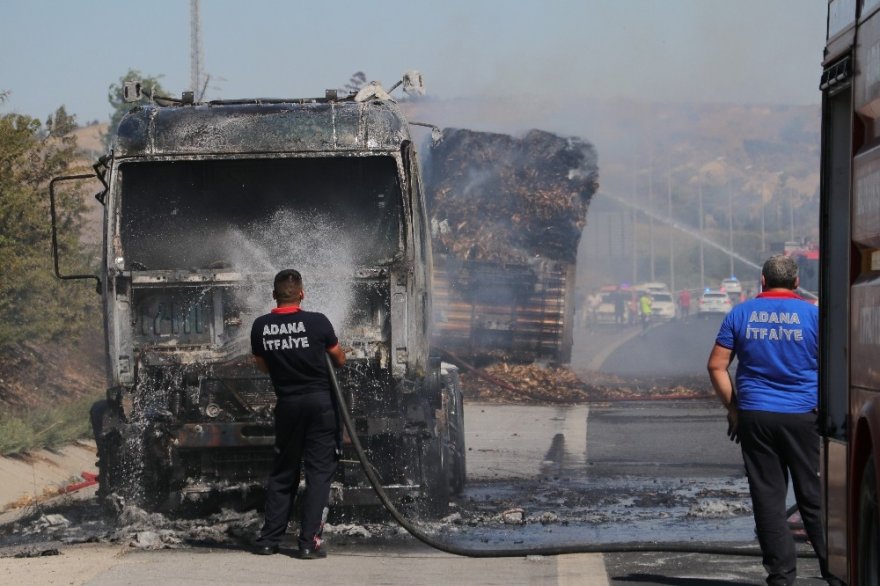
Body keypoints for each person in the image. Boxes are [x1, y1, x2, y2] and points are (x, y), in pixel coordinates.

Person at [706, 255, 840, 586]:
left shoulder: (740, 313)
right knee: (812, 496)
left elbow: (716, 366)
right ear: (796, 283)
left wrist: (734, 409)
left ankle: (781, 578)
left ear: (762, 282)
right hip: (801, 416)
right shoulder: (814, 315)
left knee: (768, 497)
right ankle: (835, 574)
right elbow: (833, 365)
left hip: (756, 416)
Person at [251, 269, 347, 559]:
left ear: (274, 295)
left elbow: (263, 366)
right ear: (302, 293)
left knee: (284, 472)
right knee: (318, 474)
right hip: (321, 405)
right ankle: (308, 543)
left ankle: (269, 540)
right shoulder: (318, 323)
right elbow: (339, 359)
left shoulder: (261, 327)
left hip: (288, 405)